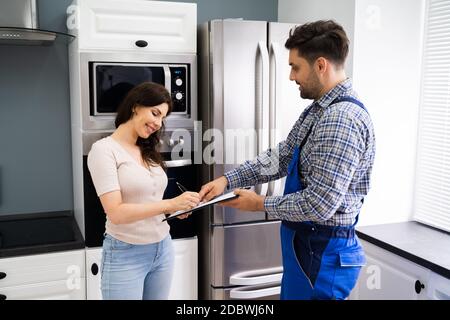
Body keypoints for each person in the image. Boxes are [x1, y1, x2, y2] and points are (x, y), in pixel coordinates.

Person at [199, 20, 376, 300]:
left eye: (295, 67)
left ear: (320, 65)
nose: (291, 77)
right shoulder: (318, 111)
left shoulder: (340, 120)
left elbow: (320, 204)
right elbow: (282, 157)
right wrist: (227, 180)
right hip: (308, 249)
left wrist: (259, 204)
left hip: (323, 253)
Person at [87, 82, 200, 300]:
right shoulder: (103, 150)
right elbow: (116, 213)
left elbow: (149, 199)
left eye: (162, 118)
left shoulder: (147, 149)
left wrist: (174, 210)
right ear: (135, 106)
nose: (158, 123)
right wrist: (170, 204)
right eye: (155, 113)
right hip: (125, 253)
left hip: (162, 249)